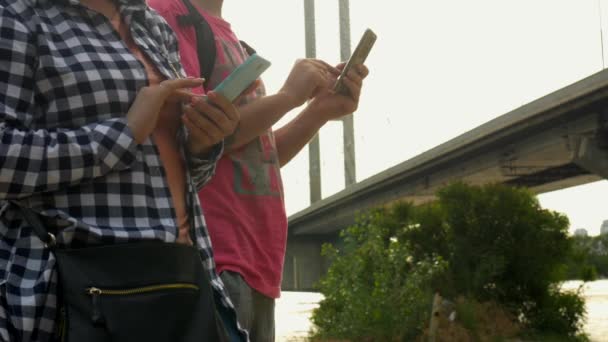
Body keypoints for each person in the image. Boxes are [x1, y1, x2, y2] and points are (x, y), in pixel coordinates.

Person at [0, 0, 247, 340]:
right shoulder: (17, 15)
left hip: (182, 278)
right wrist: (123, 135)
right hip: (73, 291)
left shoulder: (153, 24)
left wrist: (202, 145)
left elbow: (173, 177)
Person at [149, 0, 370, 340]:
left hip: (258, 262)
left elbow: (259, 155)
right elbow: (196, 138)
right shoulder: (168, 16)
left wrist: (320, 111)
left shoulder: (230, 39)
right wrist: (288, 96)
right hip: (214, 256)